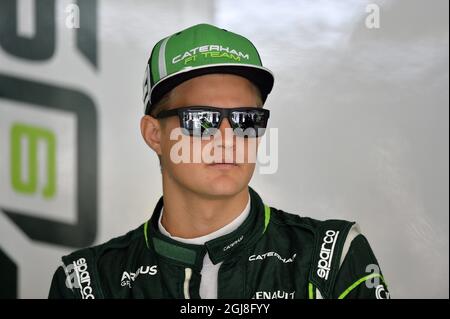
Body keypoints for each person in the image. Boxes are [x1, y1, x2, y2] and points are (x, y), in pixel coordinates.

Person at [48, 23, 390, 299]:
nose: (228, 138)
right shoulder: (85, 283)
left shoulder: (332, 256)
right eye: (201, 119)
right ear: (154, 134)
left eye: (246, 119)